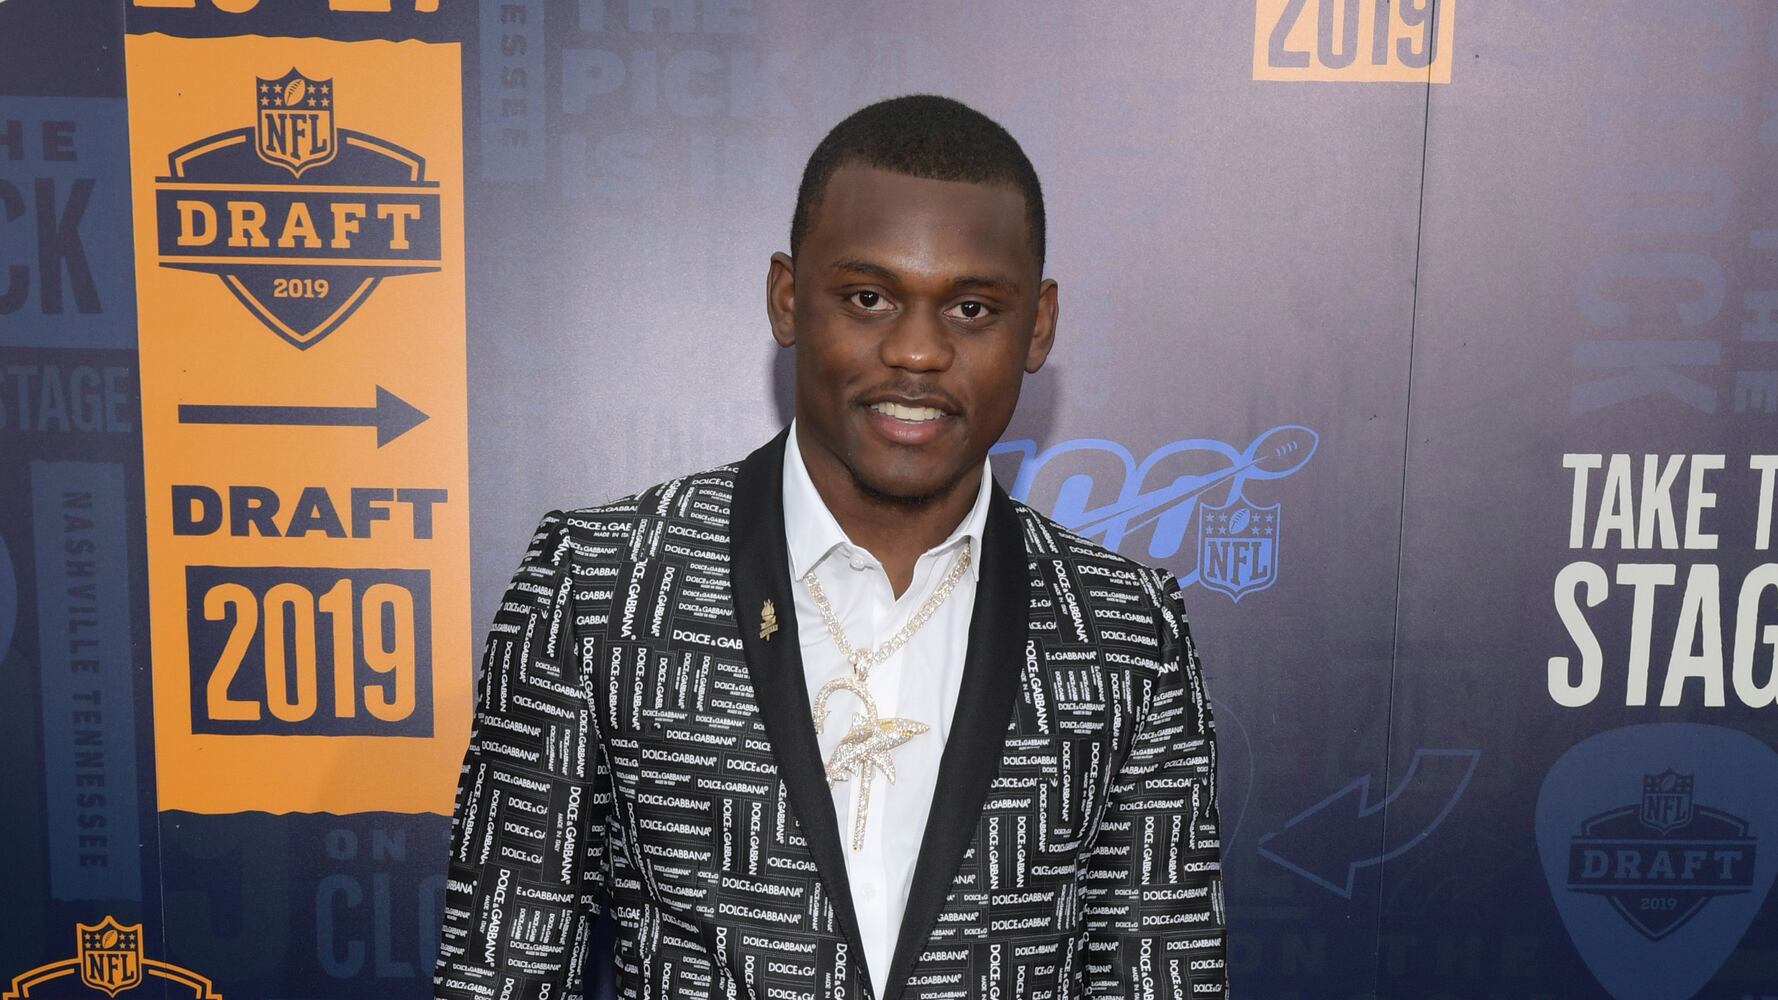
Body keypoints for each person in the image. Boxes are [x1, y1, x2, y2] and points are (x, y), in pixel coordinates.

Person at [434, 94, 1227, 1000]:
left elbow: (1163, 973)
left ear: (1038, 326)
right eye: (869, 298)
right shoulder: (600, 587)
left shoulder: (1126, 632)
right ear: (787, 299)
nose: (918, 351)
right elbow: (500, 969)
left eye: (972, 307)